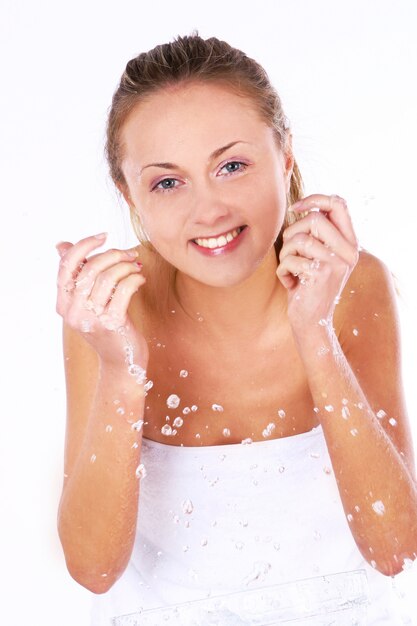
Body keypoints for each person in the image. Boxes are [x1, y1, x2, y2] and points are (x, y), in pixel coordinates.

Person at [55, 33, 417, 625]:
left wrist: (316, 332)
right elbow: (93, 570)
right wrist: (122, 371)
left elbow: (396, 550)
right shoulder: (111, 310)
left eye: (232, 165)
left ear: (286, 155)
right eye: (167, 182)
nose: (210, 211)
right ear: (129, 194)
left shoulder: (350, 284)